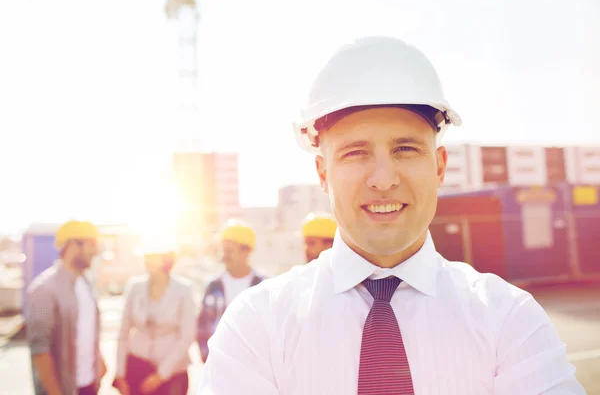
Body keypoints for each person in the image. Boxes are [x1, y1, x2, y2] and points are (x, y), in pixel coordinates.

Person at [197, 36, 585, 394]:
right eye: (355, 152)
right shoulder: (256, 326)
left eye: (405, 149)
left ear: (438, 166)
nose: (383, 180)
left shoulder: (509, 321)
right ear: (322, 173)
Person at [25, 220, 107, 395]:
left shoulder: (86, 284)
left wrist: (99, 361)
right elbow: (40, 350)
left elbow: (86, 331)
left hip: (89, 385)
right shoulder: (43, 289)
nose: (96, 251)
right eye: (91, 244)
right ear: (72, 245)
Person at [113, 245, 196, 395]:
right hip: (137, 367)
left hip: (173, 373)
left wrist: (161, 375)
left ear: (166, 258)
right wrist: (120, 374)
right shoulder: (134, 287)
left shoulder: (183, 290)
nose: (148, 260)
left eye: (154, 255)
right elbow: (123, 333)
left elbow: (186, 338)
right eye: (147, 256)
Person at [196, 219, 266, 363]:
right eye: (223, 250)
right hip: (219, 365)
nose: (224, 256)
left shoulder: (264, 287)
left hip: (255, 368)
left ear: (246, 251)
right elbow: (202, 325)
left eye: (229, 251)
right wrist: (207, 358)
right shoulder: (213, 286)